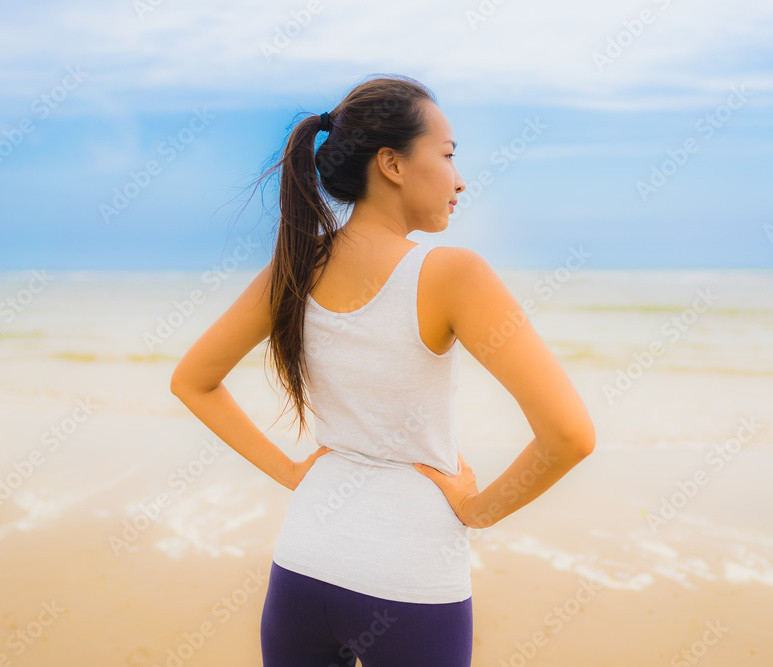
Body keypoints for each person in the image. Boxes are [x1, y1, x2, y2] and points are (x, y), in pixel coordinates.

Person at [169, 74, 596, 667]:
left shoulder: (295, 267)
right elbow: (571, 436)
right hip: (411, 580)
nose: (460, 179)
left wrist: (293, 472)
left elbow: (192, 381)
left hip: (302, 567)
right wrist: (477, 510)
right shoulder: (454, 274)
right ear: (392, 163)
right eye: (447, 156)